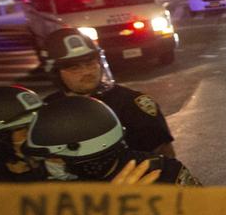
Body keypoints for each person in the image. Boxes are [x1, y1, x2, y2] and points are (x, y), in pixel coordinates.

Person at [41, 28, 175, 156]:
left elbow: (165, 158)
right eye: (74, 67)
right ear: (55, 74)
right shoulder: (48, 111)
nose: (87, 72)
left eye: (91, 63)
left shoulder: (131, 105)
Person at [25, 95, 199, 184]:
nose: (48, 165)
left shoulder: (162, 175)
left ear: (86, 158)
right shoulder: (48, 191)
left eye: (53, 158)